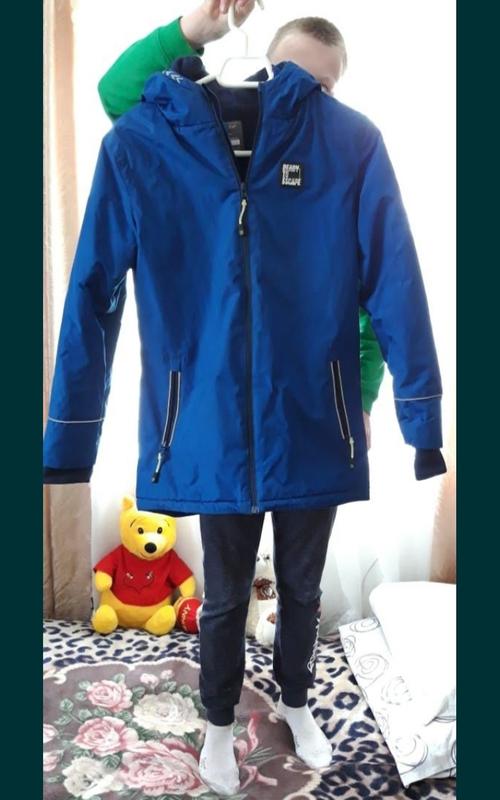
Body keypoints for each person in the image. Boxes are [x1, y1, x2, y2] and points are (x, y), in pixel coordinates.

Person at [85, 2, 442, 795]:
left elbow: (388, 293)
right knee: (223, 593)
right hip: (213, 423)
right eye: (293, 76)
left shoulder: (349, 147)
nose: (304, 95)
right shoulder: (167, 140)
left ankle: (297, 699)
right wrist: (190, 31)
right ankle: (217, 722)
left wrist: (373, 407)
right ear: (258, 66)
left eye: (324, 85)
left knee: (303, 589)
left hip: (315, 420)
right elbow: (118, 97)